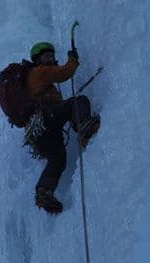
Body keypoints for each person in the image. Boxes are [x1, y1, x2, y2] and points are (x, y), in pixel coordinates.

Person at [26, 41, 101, 214]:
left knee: (58, 159)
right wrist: (73, 59)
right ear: (37, 60)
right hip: (46, 119)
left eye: (52, 56)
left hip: (40, 132)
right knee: (78, 102)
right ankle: (83, 128)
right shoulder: (39, 72)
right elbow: (65, 72)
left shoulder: (38, 81)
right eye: (46, 56)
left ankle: (44, 191)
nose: (50, 59)